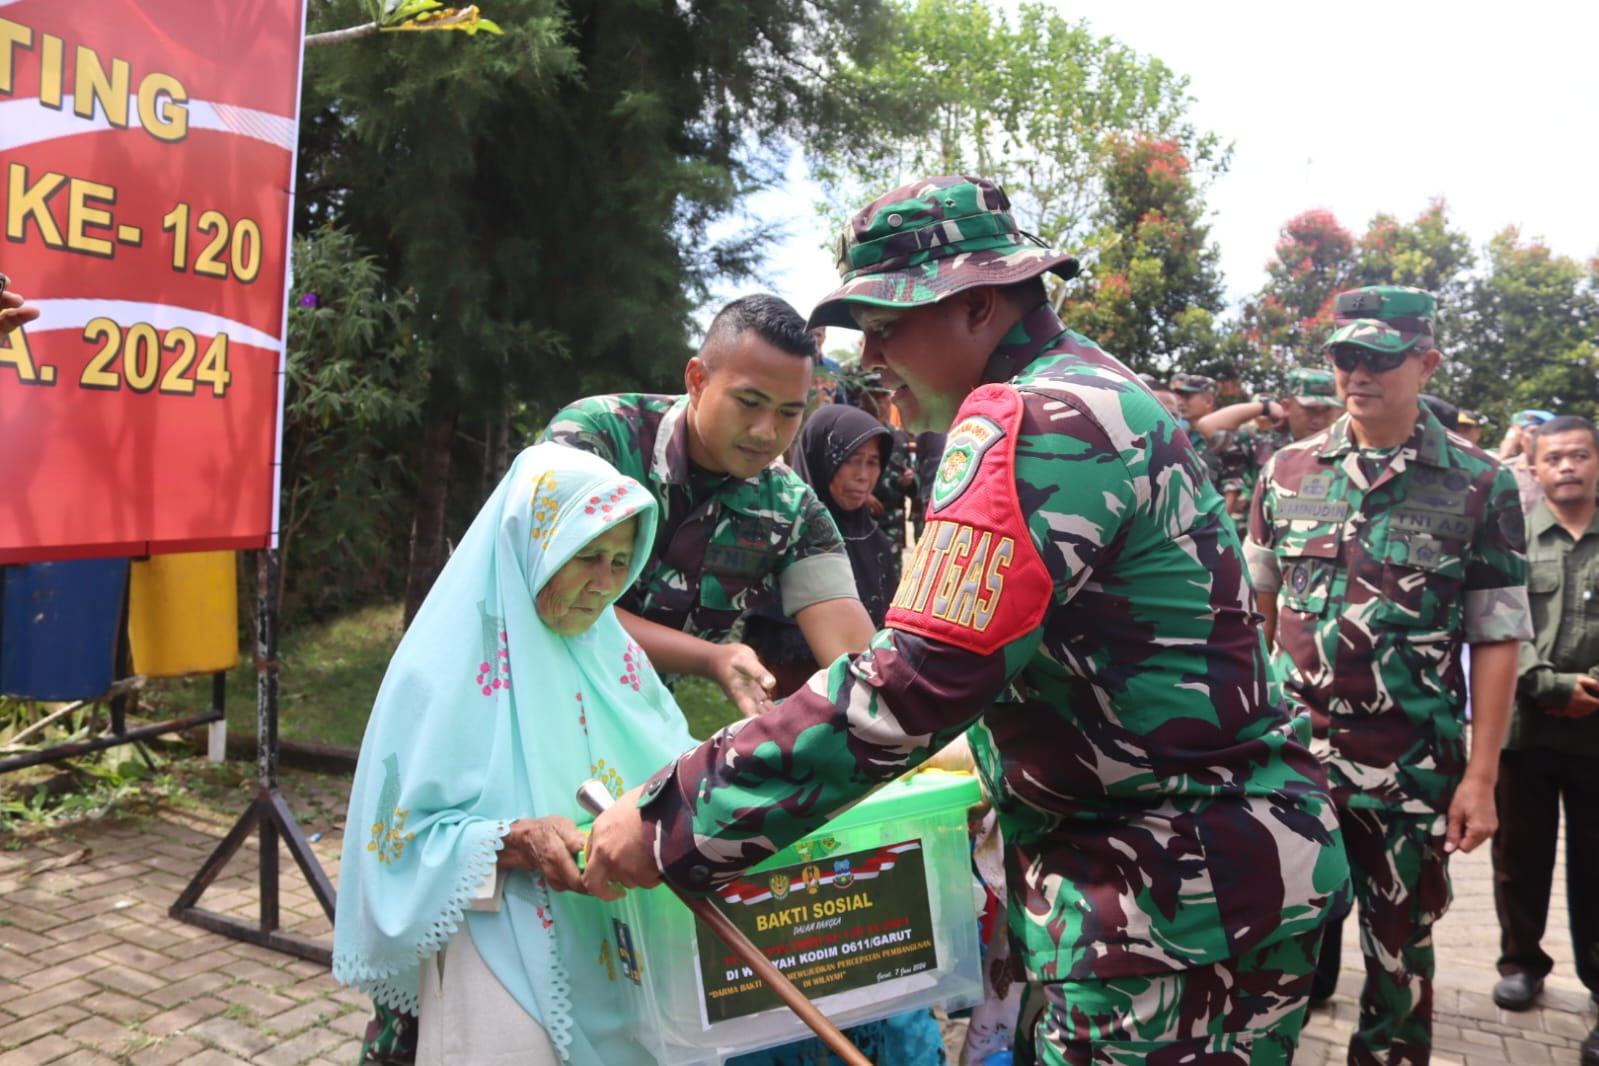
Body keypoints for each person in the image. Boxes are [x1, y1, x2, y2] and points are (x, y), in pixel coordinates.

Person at [584, 175, 1350, 1065]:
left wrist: (670, 816)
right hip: (1183, 885)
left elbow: (908, 683)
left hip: (1167, 897)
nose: (869, 358)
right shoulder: (1086, 386)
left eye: (884, 326)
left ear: (976, 306)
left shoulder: (1032, 417)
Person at [333, 443, 698, 1065]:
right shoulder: (441, 671)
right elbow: (397, 846)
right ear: (534, 544)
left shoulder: (613, 655)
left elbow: (676, 762)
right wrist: (514, 839)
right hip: (499, 946)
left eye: (619, 561)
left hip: (618, 936)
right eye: (585, 557)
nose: (604, 585)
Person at [1246, 285, 1532, 1066]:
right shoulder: (1285, 470)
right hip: (1292, 764)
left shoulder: (1478, 483)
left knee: (1399, 962)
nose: (1357, 374)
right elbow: (1254, 615)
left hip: (1409, 766)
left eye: (1379, 358)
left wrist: (1480, 777)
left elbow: (1498, 636)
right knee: (1273, 954)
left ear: (1425, 361)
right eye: (1344, 357)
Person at [540, 294, 877, 719]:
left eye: (788, 413)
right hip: (510, 691)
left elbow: (858, 669)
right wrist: (710, 658)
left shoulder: (792, 511)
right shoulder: (595, 441)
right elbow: (561, 601)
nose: (765, 432)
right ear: (697, 380)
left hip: (630, 723)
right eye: (749, 403)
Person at [1488, 415, 1599, 1059]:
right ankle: (1520, 964)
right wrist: (1549, 685)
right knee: (1518, 860)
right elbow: (1498, 627)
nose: (1566, 467)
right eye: (1553, 458)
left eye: (1579, 455)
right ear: (1533, 470)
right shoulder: (1512, 540)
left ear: (1596, 463)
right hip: (1524, 729)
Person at [742, 404, 898, 697]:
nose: (863, 475)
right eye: (851, 460)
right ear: (820, 460)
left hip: (865, 704)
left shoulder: (875, 540)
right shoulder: (786, 536)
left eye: (873, 462)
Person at [1199, 367, 1342, 522]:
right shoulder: (1265, 445)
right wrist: (1265, 407)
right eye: (1310, 410)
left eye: (1327, 410)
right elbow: (1208, 426)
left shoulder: (1344, 446)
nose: (1319, 420)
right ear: (1287, 407)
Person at [1500, 408, 1557, 515]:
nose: (1538, 438)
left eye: (1545, 433)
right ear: (1521, 437)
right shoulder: (1506, 471)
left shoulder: (1564, 469)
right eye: (1533, 432)